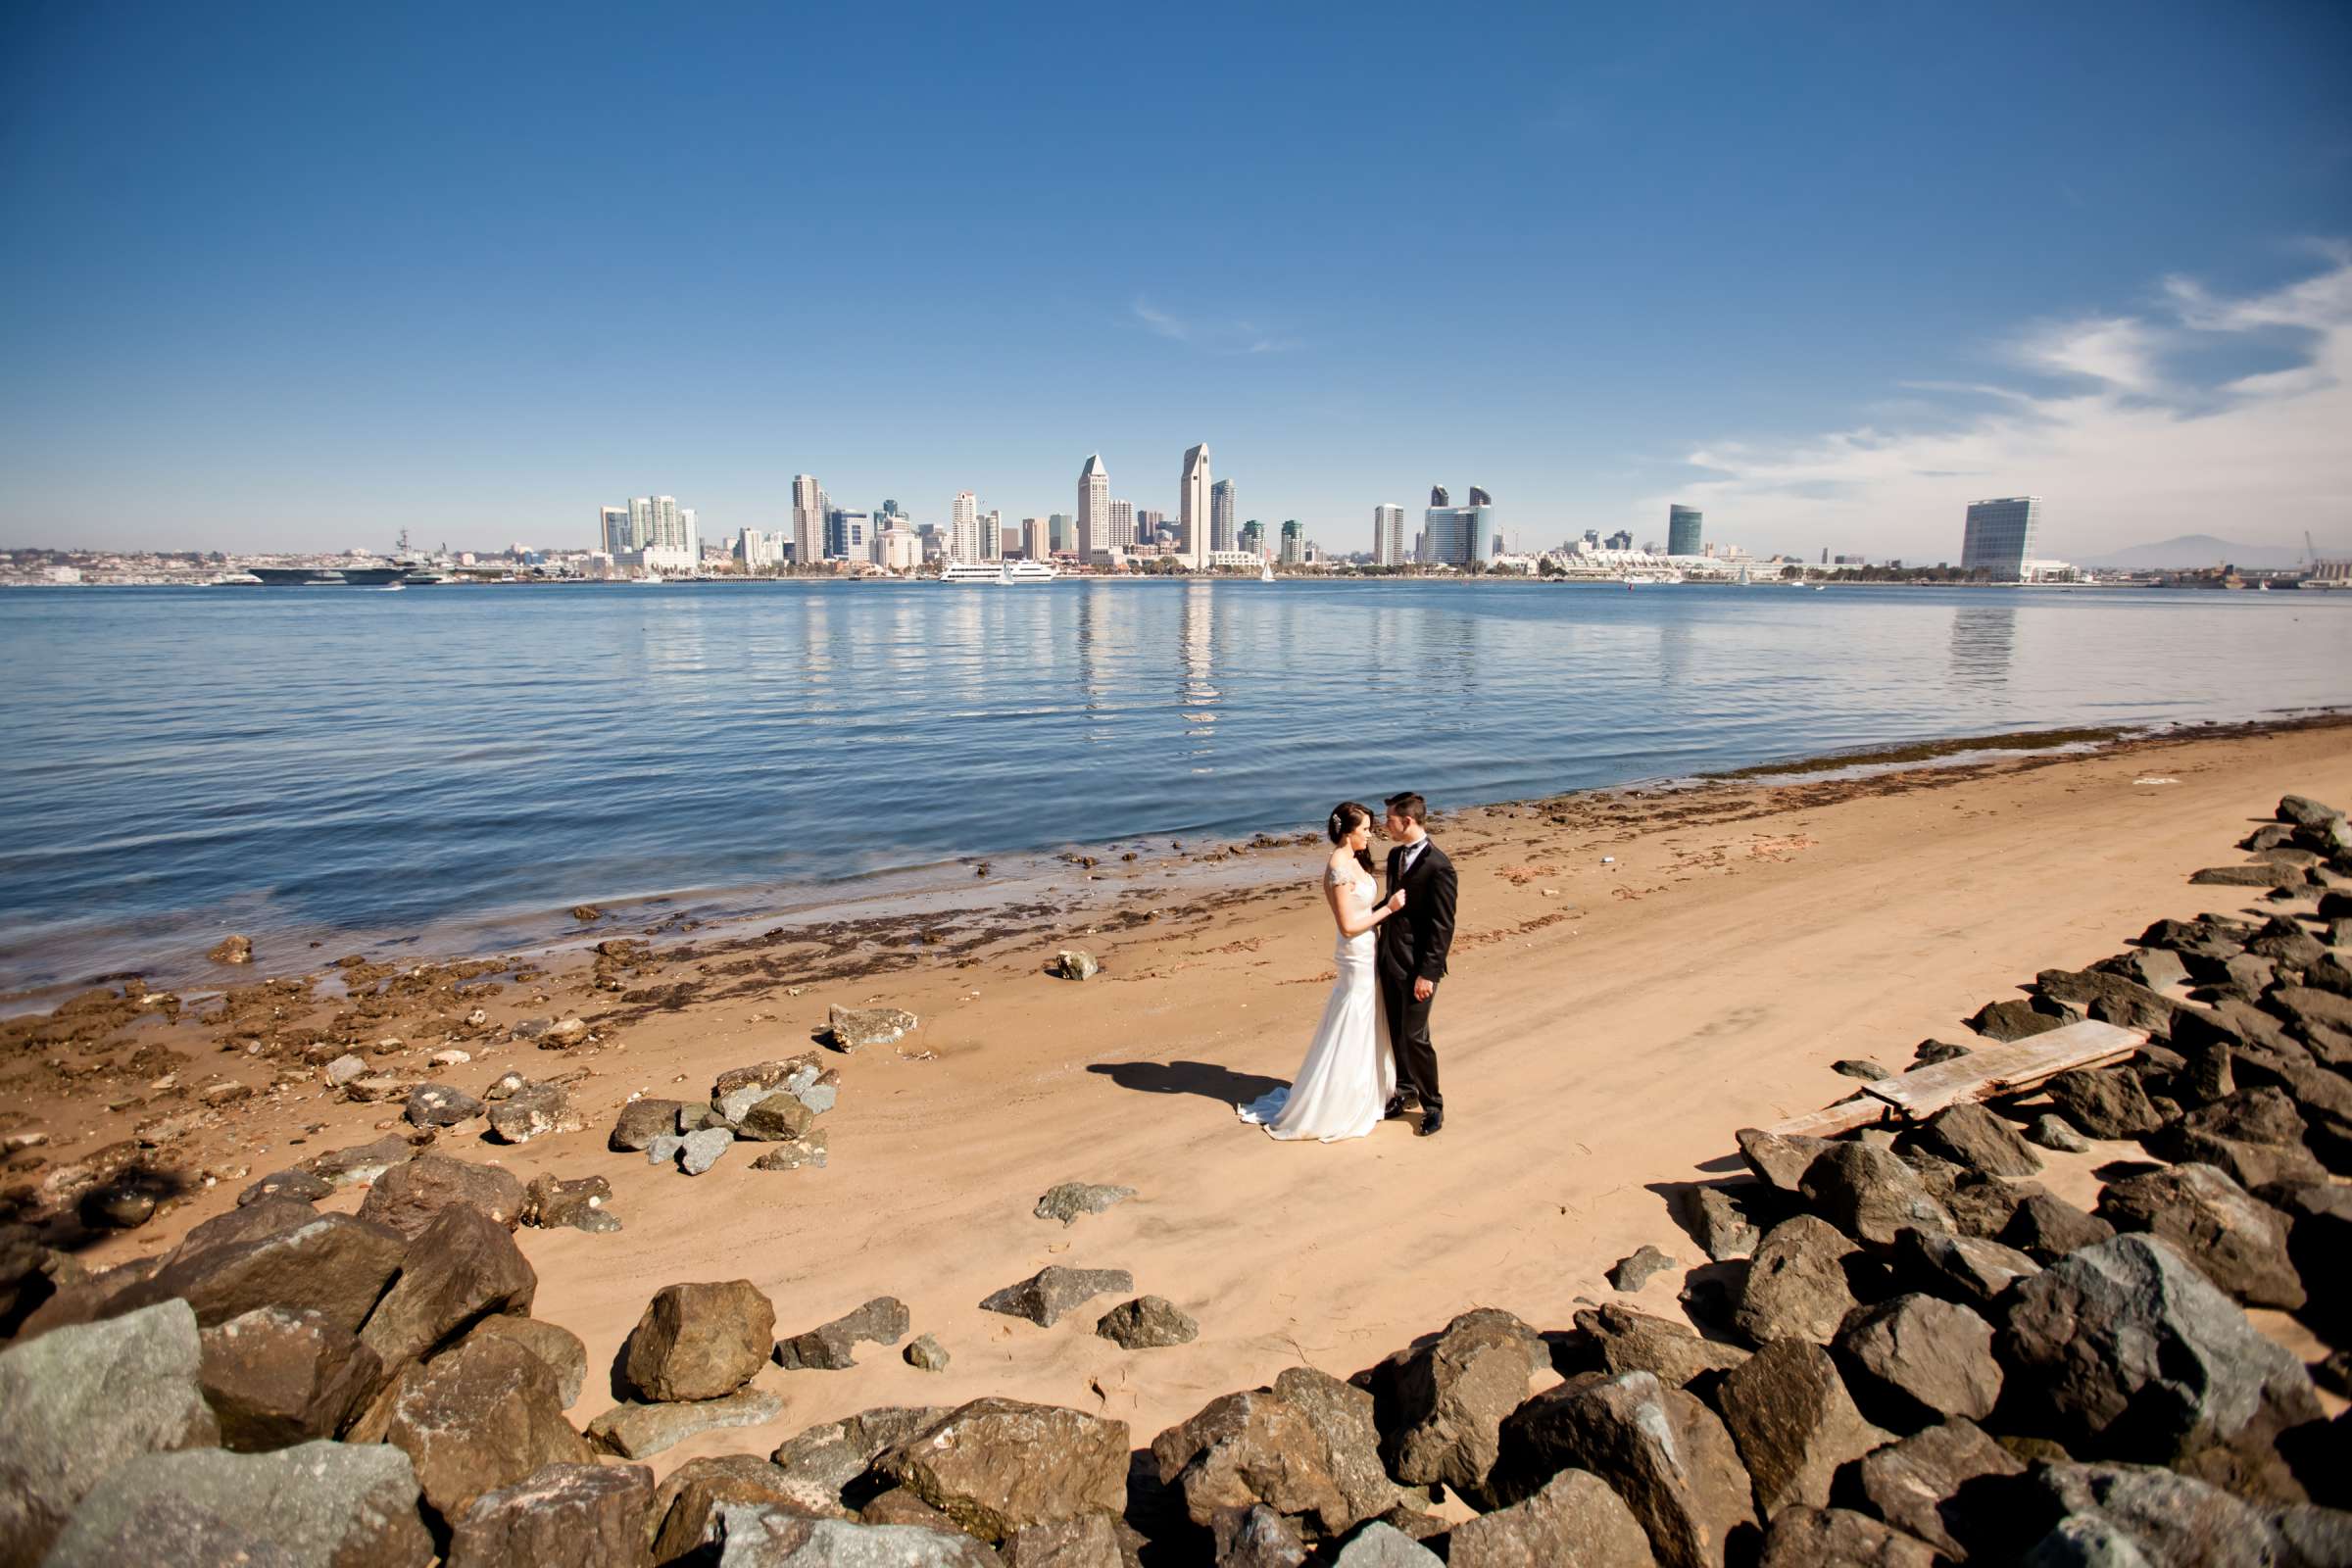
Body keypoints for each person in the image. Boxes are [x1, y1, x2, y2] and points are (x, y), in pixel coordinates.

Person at [1237, 802, 1407, 1142]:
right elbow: (1347, 926)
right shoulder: (1337, 868)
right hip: (1355, 952)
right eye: (1364, 830)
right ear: (1347, 832)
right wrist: (1388, 909)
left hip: (1368, 949)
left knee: (1369, 1017)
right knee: (1354, 1017)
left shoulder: (1355, 860)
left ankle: (1369, 1090)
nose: (1369, 835)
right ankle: (1340, 1098)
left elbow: (1361, 911)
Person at [1377, 791, 1457, 1136]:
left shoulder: (1440, 866)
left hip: (1418, 967)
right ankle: (1405, 1091)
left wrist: (1428, 973)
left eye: (1390, 819)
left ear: (1407, 821)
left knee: (1415, 1036)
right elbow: (1390, 903)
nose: (1385, 825)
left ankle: (1433, 1105)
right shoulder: (1395, 856)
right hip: (1389, 958)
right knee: (1397, 1030)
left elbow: (1442, 927)